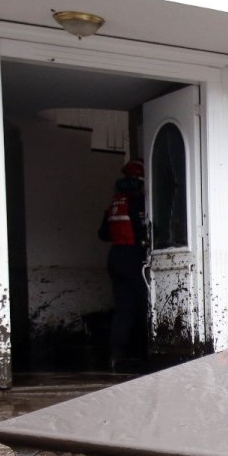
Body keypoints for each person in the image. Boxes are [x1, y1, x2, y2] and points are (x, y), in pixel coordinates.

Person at [98, 159, 148, 371]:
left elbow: (103, 234)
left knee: (123, 310)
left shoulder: (114, 204)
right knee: (146, 307)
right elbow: (143, 234)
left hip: (116, 258)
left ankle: (116, 355)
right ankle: (150, 353)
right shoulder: (137, 203)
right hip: (133, 257)